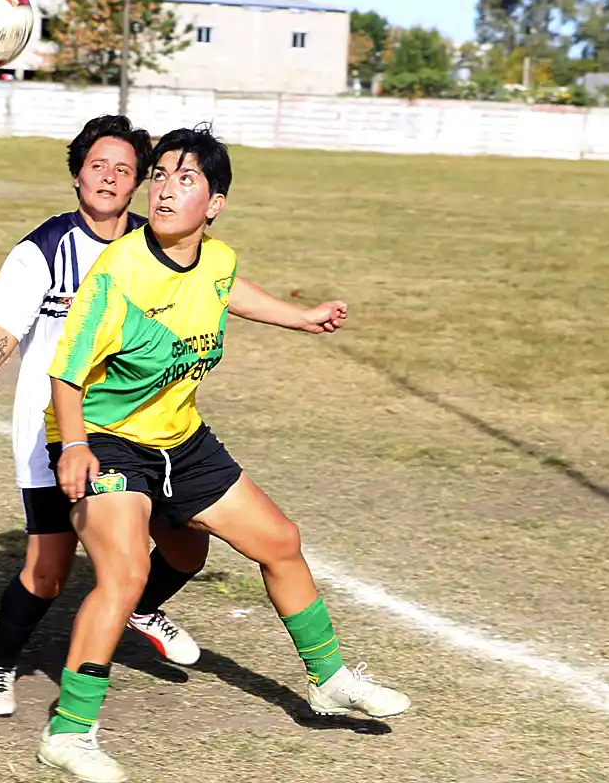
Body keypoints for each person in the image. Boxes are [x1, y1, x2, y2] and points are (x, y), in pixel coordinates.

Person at [0, 115, 348, 720]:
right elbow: (6, 327)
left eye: (125, 169)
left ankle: (138, 606)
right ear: (76, 176)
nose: (112, 178)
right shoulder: (45, 250)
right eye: (97, 165)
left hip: (137, 429)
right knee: (50, 568)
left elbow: (220, 283)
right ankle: (1, 664)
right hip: (55, 428)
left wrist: (298, 317)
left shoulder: (156, 237)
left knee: (186, 550)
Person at [37, 126, 408, 783]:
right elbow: (65, 373)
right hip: (104, 437)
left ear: (214, 204)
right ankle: (69, 733)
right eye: (160, 178)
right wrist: (72, 447)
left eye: (186, 180)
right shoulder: (118, 272)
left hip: (181, 436)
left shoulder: (216, 258)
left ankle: (329, 681)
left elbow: (225, 287)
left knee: (274, 541)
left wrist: (301, 317)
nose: (166, 190)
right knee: (122, 572)